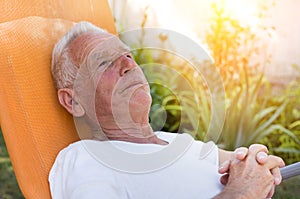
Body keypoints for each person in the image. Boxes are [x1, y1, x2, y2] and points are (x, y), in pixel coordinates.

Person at [49, 22, 284, 199]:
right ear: (74, 101)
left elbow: (240, 163)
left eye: (127, 55)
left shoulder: (172, 143)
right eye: (103, 63)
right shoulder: (87, 162)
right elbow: (242, 187)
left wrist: (255, 161)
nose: (129, 65)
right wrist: (241, 193)